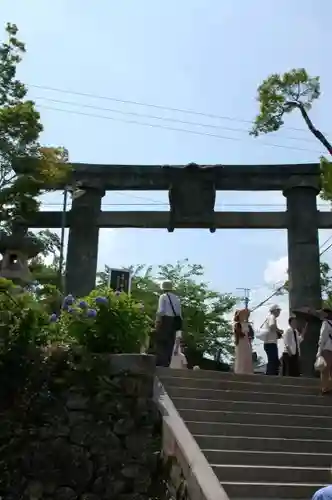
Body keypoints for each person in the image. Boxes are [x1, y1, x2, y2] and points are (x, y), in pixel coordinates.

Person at [154, 280, 182, 367]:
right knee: (170, 343)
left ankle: (160, 363)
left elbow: (161, 311)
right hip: (174, 322)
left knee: (161, 342)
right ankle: (166, 363)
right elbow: (179, 314)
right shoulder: (177, 299)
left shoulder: (163, 297)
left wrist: (157, 322)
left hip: (165, 320)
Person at [263, 304, 283, 376]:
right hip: (270, 343)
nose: (279, 312)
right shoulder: (272, 317)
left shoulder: (269, 318)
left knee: (273, 360)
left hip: (269, 342)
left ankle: (270, 374)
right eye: (278, 310)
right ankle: (271, 375)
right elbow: (272, 326)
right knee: (273, 360)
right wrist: (279, 331)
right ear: (274, 311)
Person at [316, 308, 332, 394]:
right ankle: (329, 387)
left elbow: (322, 338)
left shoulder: (325, 323)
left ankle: (324, 388)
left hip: (327, 349)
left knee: (324, 370)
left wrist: (319, 351)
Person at [233, 308, 253, 375]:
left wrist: (250, 337)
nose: (243, 316)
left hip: (247, 342)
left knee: (247, 356)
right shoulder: (237, 325)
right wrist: (243, 334)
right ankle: (240, 371)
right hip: (240, 342)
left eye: (244, 315)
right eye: (242, 315)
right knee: (240, 357)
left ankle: (247, 372)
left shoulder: (248, 325)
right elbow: (238, 333)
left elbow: (251, 333)